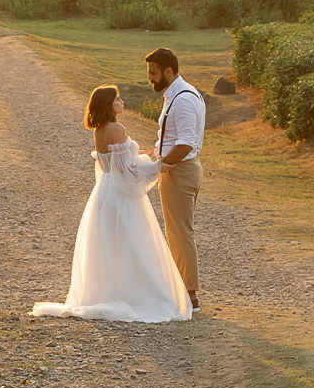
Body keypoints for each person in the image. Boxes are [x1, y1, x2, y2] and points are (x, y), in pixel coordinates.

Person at [29, 84, 193, 322]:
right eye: (118, 99)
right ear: (109, 104)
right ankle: (135, 294)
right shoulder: (117, 128)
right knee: (132, 244)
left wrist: (142, 157)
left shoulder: (100, 130)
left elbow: (115, 166)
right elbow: (126, 173)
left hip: (105, 192)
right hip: (120, 195)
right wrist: (157, 167)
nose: (122, 102)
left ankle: (110, 290)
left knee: (110, 246)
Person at [143, 46, 204, 311]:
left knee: (180, 235)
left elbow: (186, 142)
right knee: (176, 232)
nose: (151, 79)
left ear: (169, 71)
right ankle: (181, 290)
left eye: (154, 73)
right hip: (178, 168)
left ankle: (190, 297)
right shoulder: (175, 94)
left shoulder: (184, 98)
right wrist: (155, 152)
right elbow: (172, 136)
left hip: (180, 171)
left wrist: (163, 164)